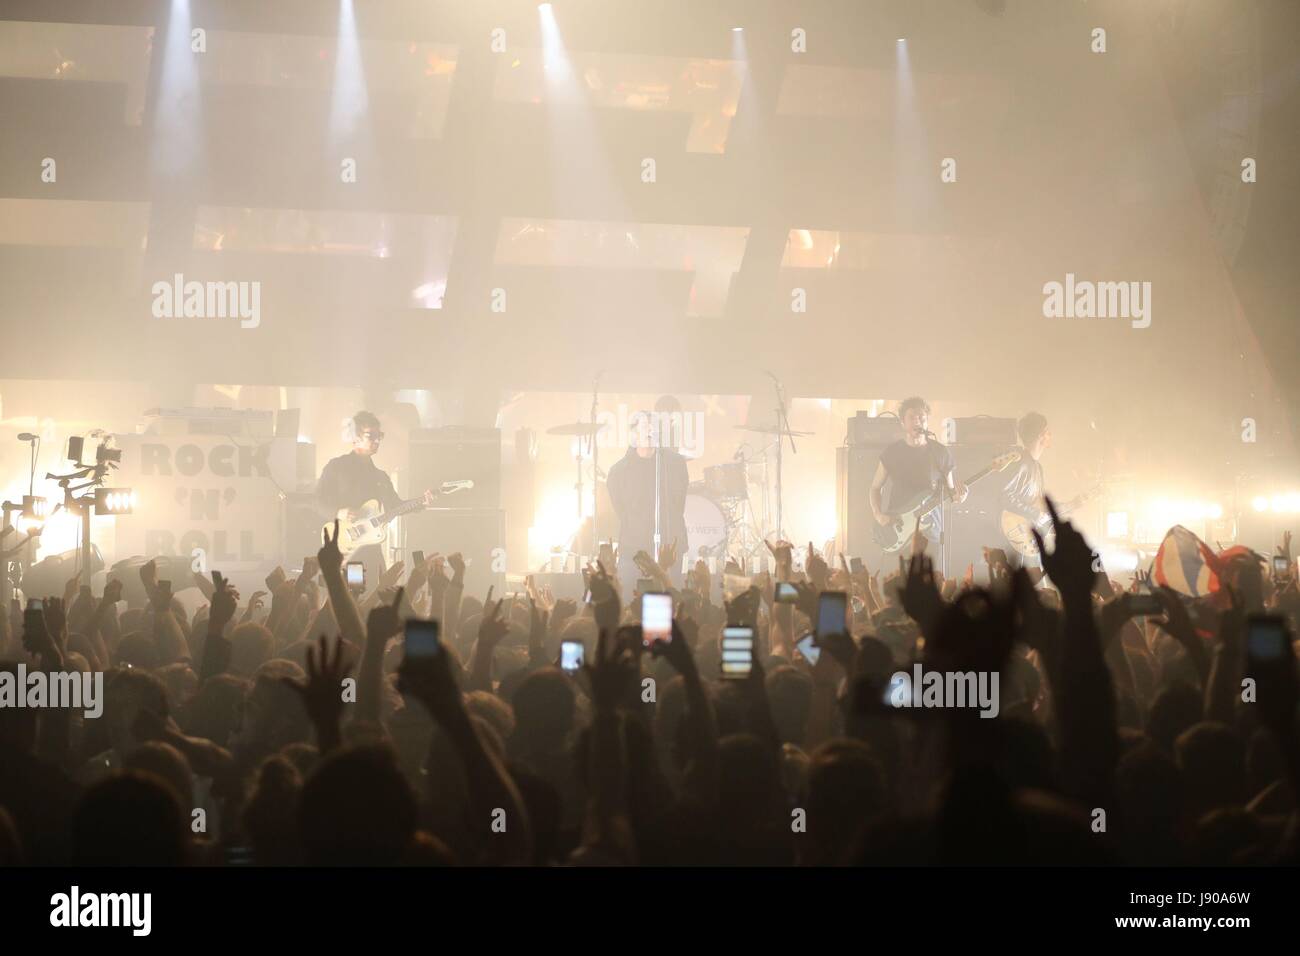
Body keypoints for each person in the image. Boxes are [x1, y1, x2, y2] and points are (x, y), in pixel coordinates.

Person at [317, 411, 431, 583]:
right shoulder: (337, 467)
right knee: (355, 593)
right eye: (371, 435)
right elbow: (318, 501)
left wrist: (421, 502)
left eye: (380, 436)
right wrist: (339, 512)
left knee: (380, 594)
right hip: (348, 549)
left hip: (373, 550)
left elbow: (395, 506)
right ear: (355, 438)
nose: (377, 440)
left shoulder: (380, 477)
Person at [606, 397, 690, 595]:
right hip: (634, 548)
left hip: (669, 547)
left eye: (654, 427)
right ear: (633, 433)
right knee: (630, 602)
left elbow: (679, 502)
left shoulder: (675, 464)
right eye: (645, 427)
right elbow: (620, 509)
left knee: (669, 602)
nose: (651, 431)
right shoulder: (619, 471)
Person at [869, 396, 968, 551]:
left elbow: (950, 495)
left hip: (931, 531)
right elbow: (875, 487)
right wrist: (878, 515)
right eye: (912, 417)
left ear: (927, 421)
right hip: (899, 529)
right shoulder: (892, 452)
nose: (917, 421)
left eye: (922, 417)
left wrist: (959, 498)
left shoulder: (940, 452)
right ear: (903, 423)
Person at [1000, 412, 1051, 568]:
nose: (1051, 435)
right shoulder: (1020, 463)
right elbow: (1005, 497)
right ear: (1041, 435)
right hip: (1017, 537)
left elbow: (1037, 503)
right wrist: (1035, 514)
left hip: (1029, 536)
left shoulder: (1037, 467)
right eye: (1048, 432)